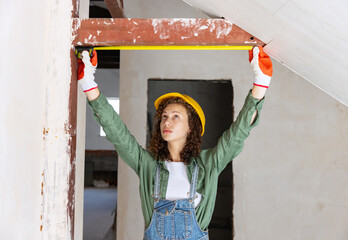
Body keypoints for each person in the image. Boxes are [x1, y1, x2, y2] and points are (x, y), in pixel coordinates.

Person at [78, 46, 273, 240]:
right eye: (163, 116)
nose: (167, 121)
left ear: (190, 127)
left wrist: (261, 83)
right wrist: (89, 83)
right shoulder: (148, 165)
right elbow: (117, 133)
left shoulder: (208, 164)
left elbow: (238, 133)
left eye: (175, 116)